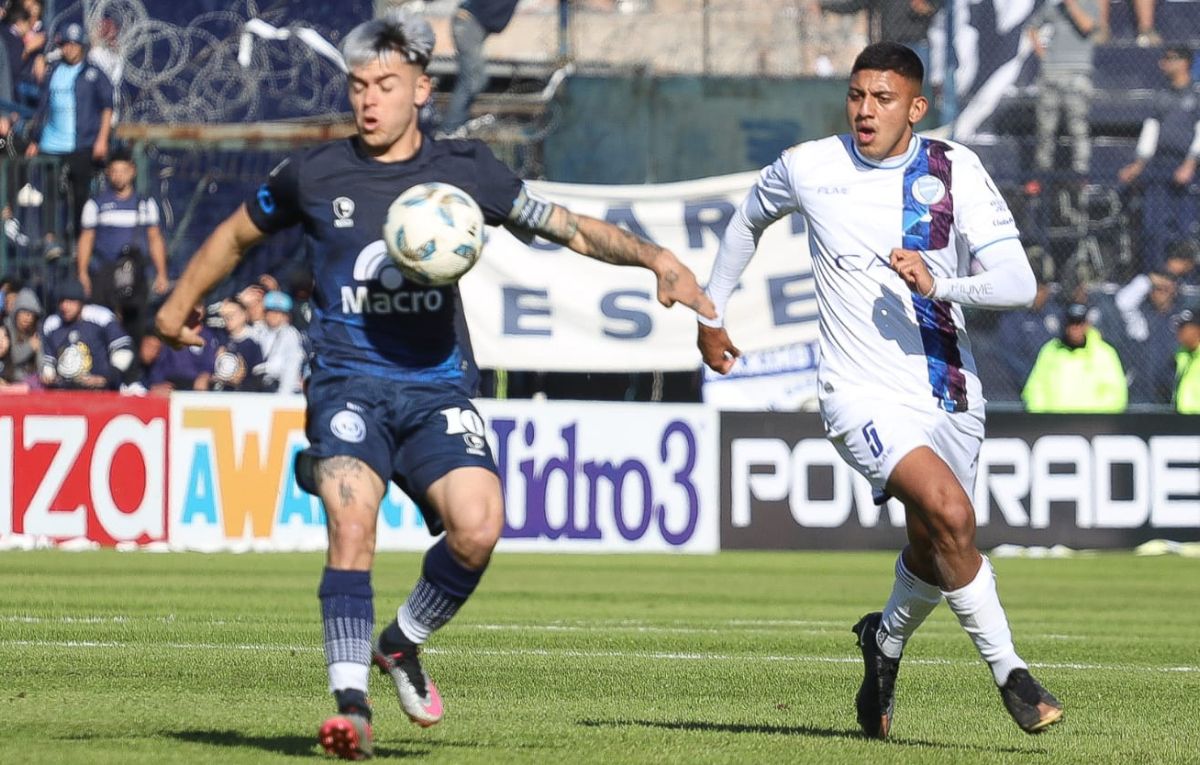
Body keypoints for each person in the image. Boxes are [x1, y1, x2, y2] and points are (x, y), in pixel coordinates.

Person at [154, 10, 713, 760]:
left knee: (479, 525)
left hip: (436, 388)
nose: (368, 100)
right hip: (347, 386)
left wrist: (654, 258)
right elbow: (233, 234)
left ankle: (401, 642)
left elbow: (565, 226)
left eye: (385, 85)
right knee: (352, 523)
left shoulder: (466, 171)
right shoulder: (314, 174)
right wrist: (176, 303)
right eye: (357, 87)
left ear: (421, 88)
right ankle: (351, 706)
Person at [697, 42, 1061, 738]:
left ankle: (883, 641)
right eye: (857, 95)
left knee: (934, 546)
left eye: (883, 98)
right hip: (855, 392)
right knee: (951, 514)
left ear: (915, 108)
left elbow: (1018, 284)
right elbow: (747, 218)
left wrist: (940, 281)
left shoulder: (954, 170)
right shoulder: (811, 166)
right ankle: (1012, 674)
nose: (865, 111)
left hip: (949, 390)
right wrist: (711, 312)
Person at [26, 22, 113, 238]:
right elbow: (43, 107)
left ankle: (78, 241)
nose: (69, 49)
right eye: (65, 44)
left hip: (81, 144)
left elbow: (107, 107)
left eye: (74, 44)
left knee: (80, 195)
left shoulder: (93, 73)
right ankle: (50, 238)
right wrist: (36, 140)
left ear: (82, 46)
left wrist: (101, 139)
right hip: (51, 144)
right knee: (50, 193)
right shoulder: (54, 71)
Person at [1117, 46, 1200, 272]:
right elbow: (1151, 131)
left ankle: (1182, 281)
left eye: (1170, 58)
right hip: (1159, 166)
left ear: (1185, 63)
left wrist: (1190, 164)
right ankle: (1152, 273)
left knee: (1184, 228)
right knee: (1153, 226)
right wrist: (1138, 164)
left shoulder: (1197, 94)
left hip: (1187, 169)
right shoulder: (1161, 96)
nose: (1163, 64)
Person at [77, 145, 169, 341]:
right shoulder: (96, 204)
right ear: (108, 173)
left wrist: (162, 273)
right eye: (114, 171)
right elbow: (86, 239)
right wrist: (83, 272)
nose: (119, 176)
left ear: (133, 171)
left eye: (123, 171)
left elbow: (155, 238)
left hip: (135, 275)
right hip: (104, 273)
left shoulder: (145, 203)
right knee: (102, 324)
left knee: (136, 327)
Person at [1025, 0, 1101, 193]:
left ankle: (1080, 174)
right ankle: (1041, 175)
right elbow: (1032, 27)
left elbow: (1087, 26)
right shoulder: (1052, 7)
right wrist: (1043, 54)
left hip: (1077, 73)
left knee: (1078, 127)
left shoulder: (1090, 4)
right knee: (1045, 129)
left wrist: (1072, 5)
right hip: (1050, 73)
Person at [1022, 303, 1128, 412]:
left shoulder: (1105, 353)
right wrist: (1043, 417)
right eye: (1071, 323)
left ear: (1087, 325)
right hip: (1054, 425)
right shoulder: (1050, 350)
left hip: (1092, 425)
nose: (1075, 328)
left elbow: (1116, 393)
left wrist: (1093, 420)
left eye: (1079, 323)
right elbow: (1035, 387)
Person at [439, 0, 520, 135]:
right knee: (473, 81)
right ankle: (448, 131)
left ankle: (455, 127)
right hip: (468, 23)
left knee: (475, 80)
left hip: (470, 25)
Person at [40, 280, 131, 390]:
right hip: (64, 393)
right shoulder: (52, 324)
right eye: (61, 301)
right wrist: (48, 376)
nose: (64, 306)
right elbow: (48, 361)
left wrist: (107, 378)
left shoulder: (101, 317)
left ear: (81, 302)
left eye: (70, 301)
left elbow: (123, 350)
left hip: (99, 392)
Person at [818, 0, 942, 68]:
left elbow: (938, 6)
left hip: (916, 45)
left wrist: (925, 7)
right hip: (891, 47)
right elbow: (856, 5)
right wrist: (826, 7)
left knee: (916, 91)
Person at [210, 296, 265, 392]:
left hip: (244, 395)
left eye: (232, 314)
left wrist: (241, 379)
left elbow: (259, 377)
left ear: (244, 315)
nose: (228, 318)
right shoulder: (218, 339)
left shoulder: (253, 343)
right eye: (225, 315)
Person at [259, 289, 306, 394]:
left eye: (278, 312)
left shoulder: (290, 334)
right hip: (264, 388)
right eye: (270, 311)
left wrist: (283, 395)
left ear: (286, 315)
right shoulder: (260, 331)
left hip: (286, 389)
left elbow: (292, 366)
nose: (273, 315)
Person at [3, 285, 41, 384]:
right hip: (9, 381)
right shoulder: (6, 329)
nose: (27, 317)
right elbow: (9, 358)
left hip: (31, 383)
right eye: (24, 312)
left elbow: (41, 364)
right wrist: (29, 346)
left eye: (31, 313)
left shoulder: (37, 331)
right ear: (16, 312)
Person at [1173, 307, 1200, 413]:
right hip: (1183, 420)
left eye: (1184, 328)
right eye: (1179, 328)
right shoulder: (1181, 356)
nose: (1180, 333)